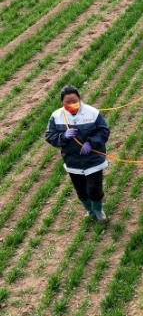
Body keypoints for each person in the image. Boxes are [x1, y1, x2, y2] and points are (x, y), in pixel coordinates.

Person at [45, 85, 110, 221]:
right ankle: (89, 210)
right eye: (67, 102)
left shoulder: (92, 113)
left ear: (79, 99)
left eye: (74, 101)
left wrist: (91, 143)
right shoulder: (56, 116)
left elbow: (104, 131)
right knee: (81, 191)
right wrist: (63, 136)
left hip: (93, 159)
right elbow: (49, 136)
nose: (71, 104)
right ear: (62, 103)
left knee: (94, 189)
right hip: (72, 161)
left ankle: (98, 211)